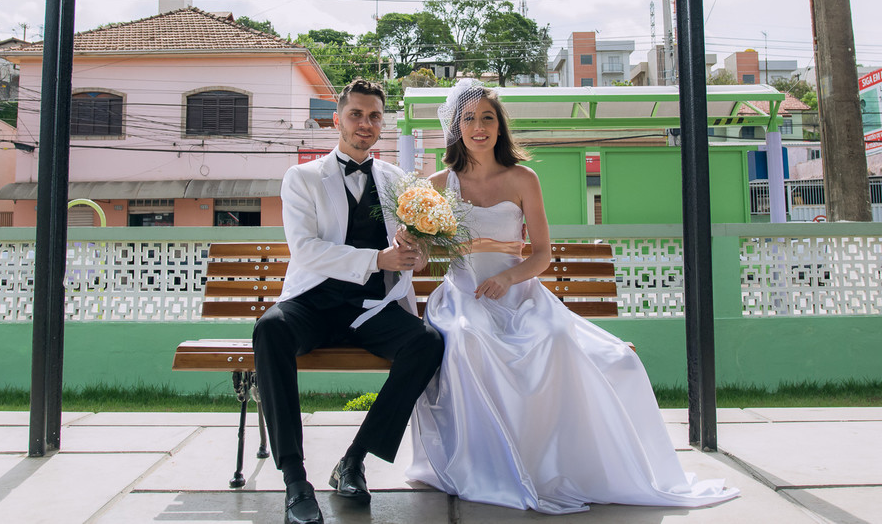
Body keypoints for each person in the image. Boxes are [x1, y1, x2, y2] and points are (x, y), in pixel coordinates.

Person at [407, 79, 739, 514]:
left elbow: (542, 254)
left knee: (562, 342)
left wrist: (509, 280)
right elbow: (426, 256)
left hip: (519, 292)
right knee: (469, 339)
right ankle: (487, 464)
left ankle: (553, 460)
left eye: (487, 117)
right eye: (468, 118)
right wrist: (419, 244)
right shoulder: (437, 184)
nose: (479, 126)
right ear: (456, 126)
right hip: (464, 295)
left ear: (500, 125)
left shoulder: (523, 178)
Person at [254, 78, 444, 524]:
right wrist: (379, 257)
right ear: (337, 119)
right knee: (270, 329)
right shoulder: (302, 178)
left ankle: (353, 461)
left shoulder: (398, 181)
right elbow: (305, 250)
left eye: (374, 116)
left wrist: (415, 253)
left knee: (428, 343)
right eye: (356, 114)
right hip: (313, 303)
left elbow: (414, 252)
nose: (365, 123)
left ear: (383, 124)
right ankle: (296, 482)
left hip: (372, 308)